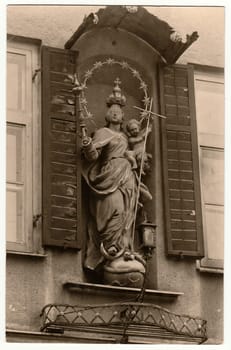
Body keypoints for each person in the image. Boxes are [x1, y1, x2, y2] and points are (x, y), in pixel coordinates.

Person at [81, 79, 152, 279]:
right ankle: (110, 254)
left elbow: (135, 153)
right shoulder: (103, 132)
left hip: (126, 175)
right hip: (108, 175)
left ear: (122, 116)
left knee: (128, 213)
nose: (115, 113)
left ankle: (123, 250)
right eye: (112, 110)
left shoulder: (125, 137)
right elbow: (92, 156)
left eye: (118, 111)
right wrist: (88, 145)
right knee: (115, 210)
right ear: (107, 113)